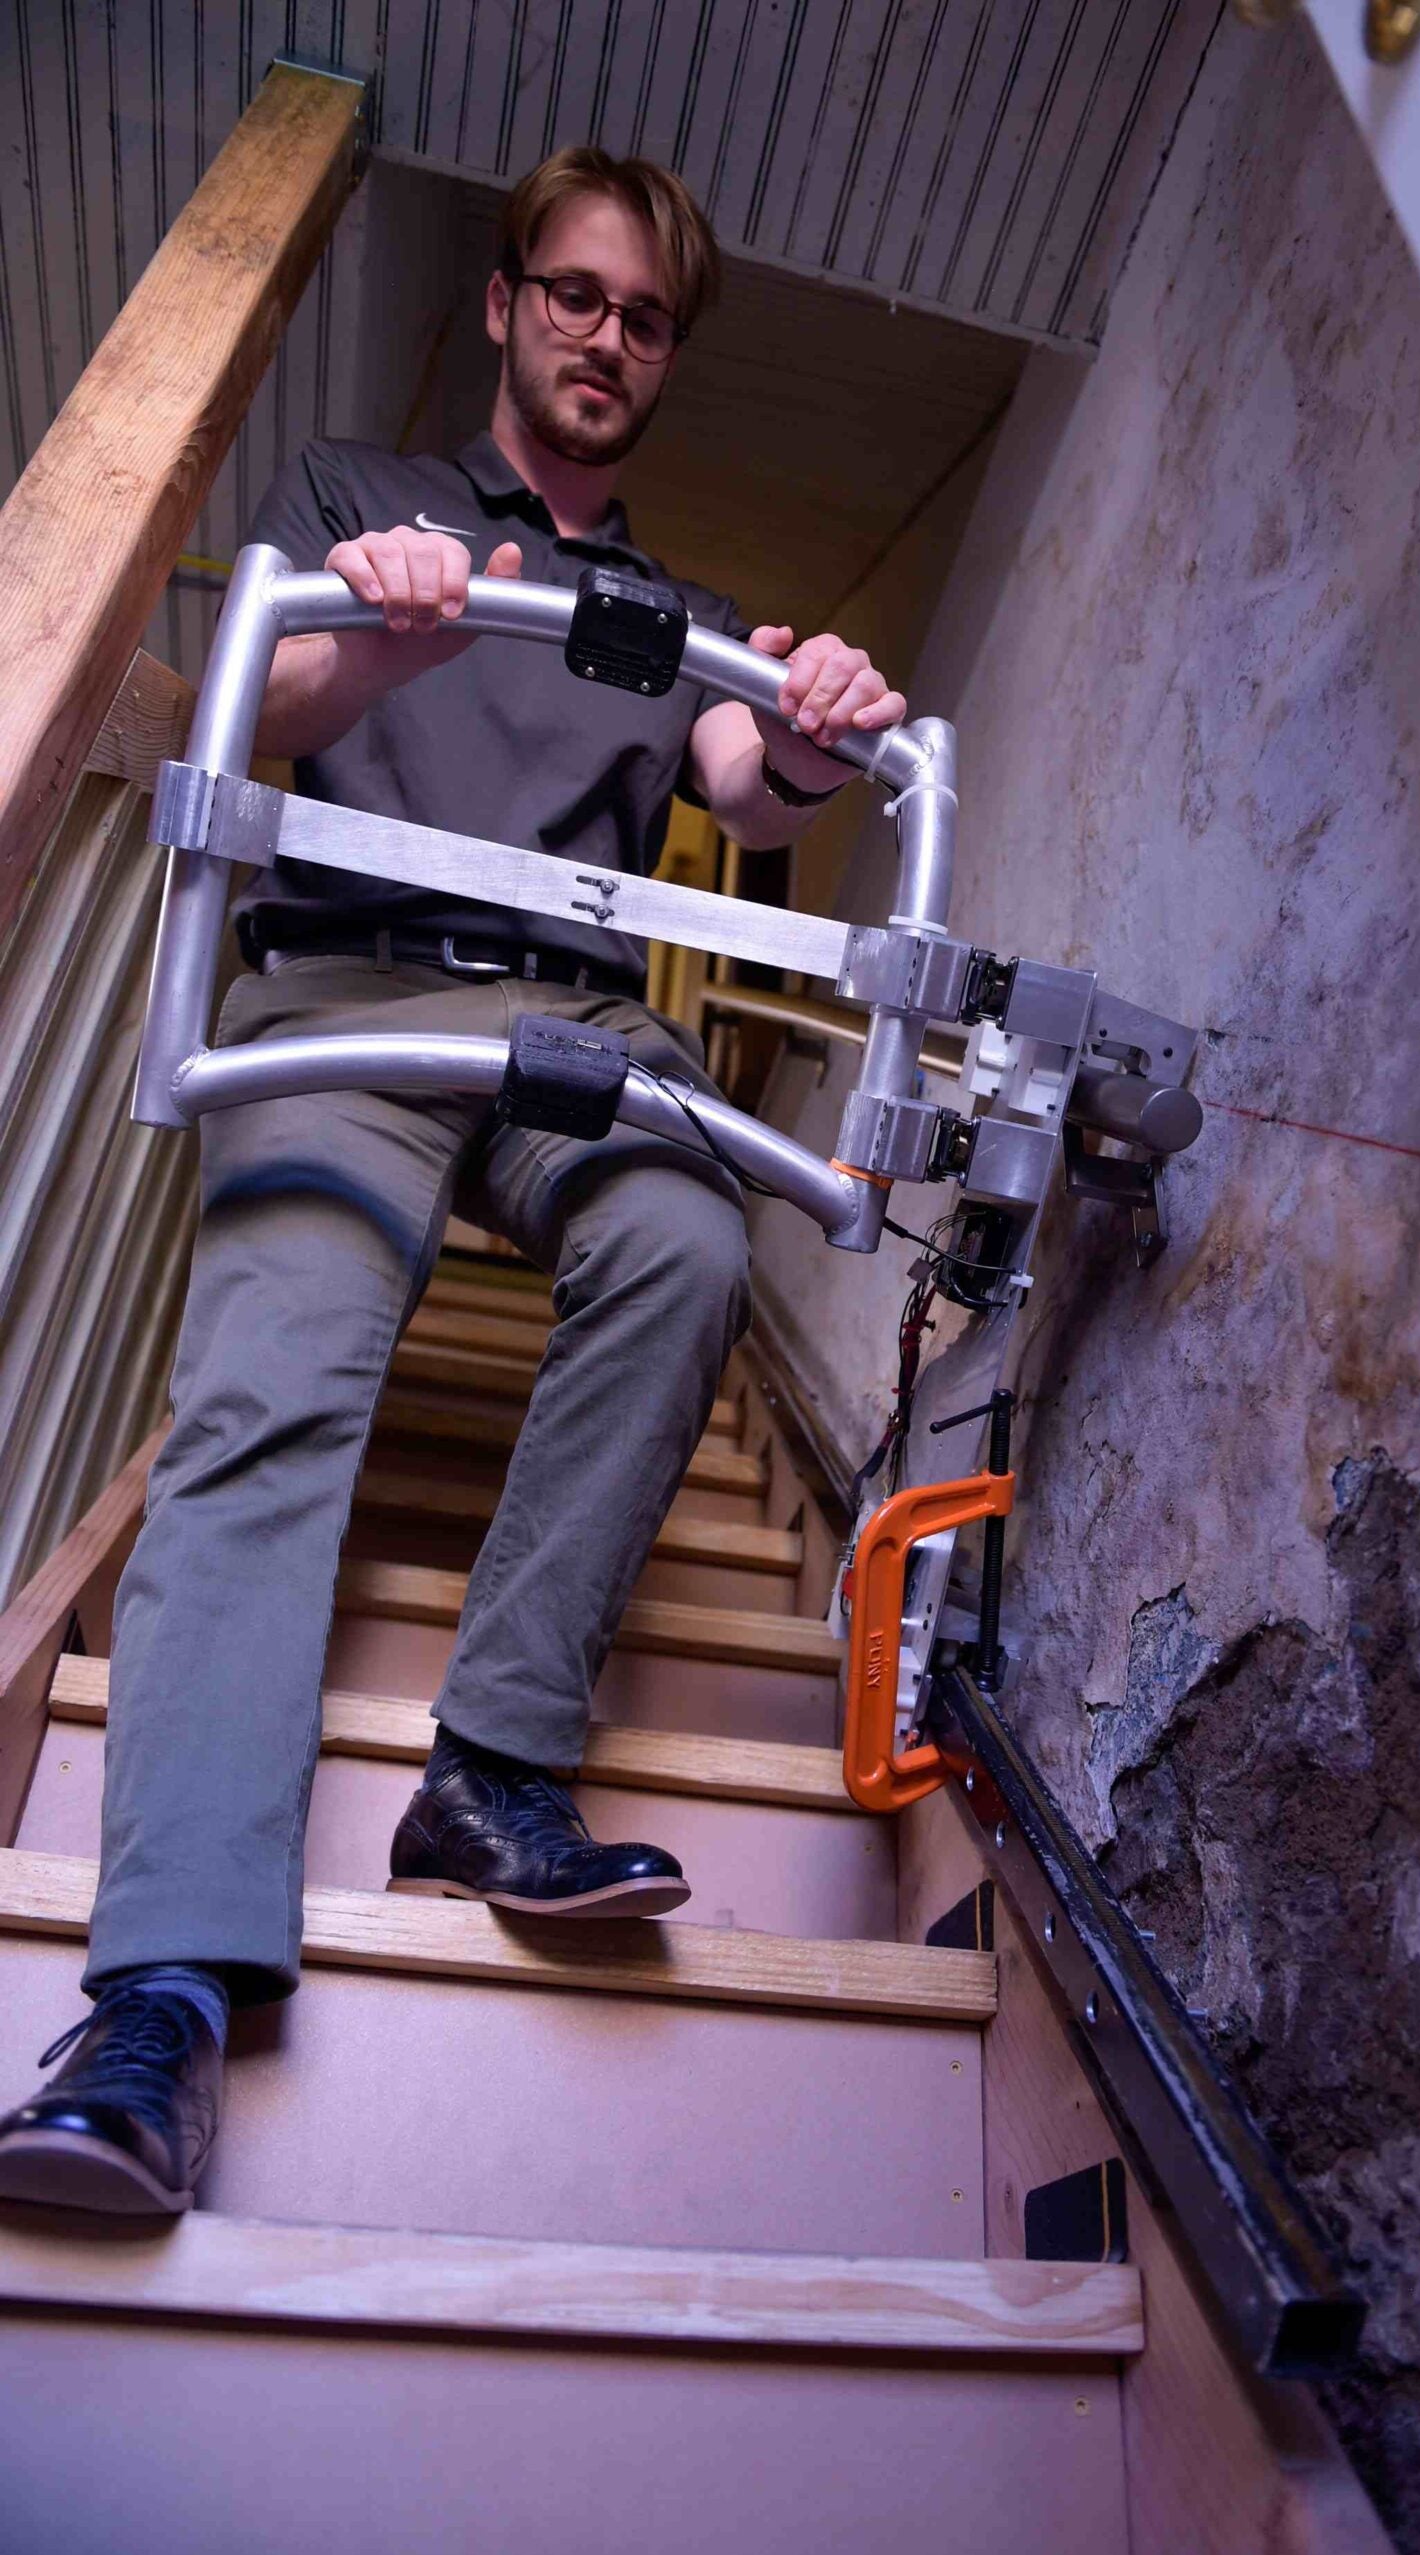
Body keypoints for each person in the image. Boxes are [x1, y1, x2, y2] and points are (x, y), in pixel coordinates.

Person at [0, 146, 905, 2216]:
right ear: (504, 307)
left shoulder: (667, 609)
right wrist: (400, 620)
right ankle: (155, 2006)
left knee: (686, 1233)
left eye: (644, 317)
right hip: (344, 1012)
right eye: (573, 296)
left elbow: (745, 776)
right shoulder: (347, 493)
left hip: (568, 1046)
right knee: (276, 1373)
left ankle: (490, 1773)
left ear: (666, 358)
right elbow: (281, 702)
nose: (604, 337)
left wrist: (827, 722)